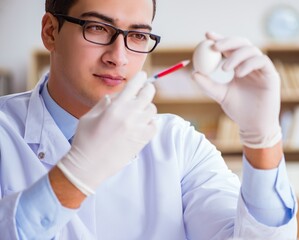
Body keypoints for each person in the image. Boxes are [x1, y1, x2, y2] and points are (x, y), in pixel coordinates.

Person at [0, 0, 297, 239]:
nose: (119, 57)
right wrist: (75, 176)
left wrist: (263, 140)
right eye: (97, 28)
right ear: (51, 31)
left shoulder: (180, 143)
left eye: (138, 35)